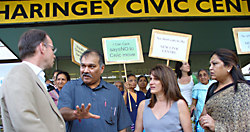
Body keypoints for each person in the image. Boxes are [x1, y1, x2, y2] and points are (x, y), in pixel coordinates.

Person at [0, 29, 65, 131]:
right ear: (42, 47)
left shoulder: (32, 77)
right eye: (52, 49)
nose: (54, 55)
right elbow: (25, 123)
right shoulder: (18, 75)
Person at [58, 50, 132, 132]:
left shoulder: (114, 91)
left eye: (91, 66)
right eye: (83, 66)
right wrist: (76, 114)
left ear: (102, 68)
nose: (85, 70)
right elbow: (62, 112)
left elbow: (122, 126)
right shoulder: (70, 87)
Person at [199, 48, 250, 131]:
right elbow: (204, 115)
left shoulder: (243, 90)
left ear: (229, 66)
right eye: (210, 65)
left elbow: (245, 126)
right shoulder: (212, 88)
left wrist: (217, 127)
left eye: (215, 64)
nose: (210, 68)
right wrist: (204, 120)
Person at [134, 64, 192, 132]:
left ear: (166, 81)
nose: (151, 83)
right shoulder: (143, 105)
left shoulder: (180, 104)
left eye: (156, 79)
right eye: (151, 79)